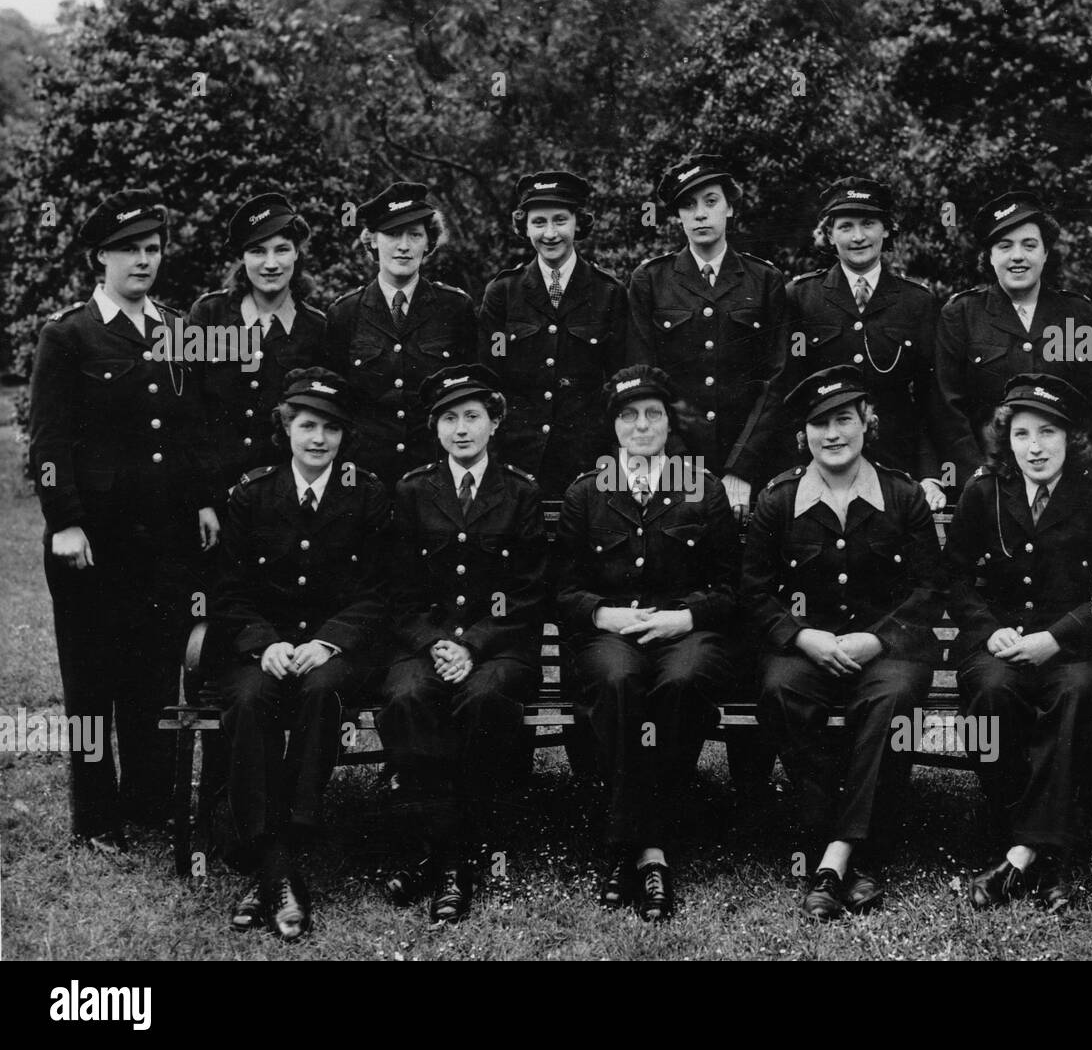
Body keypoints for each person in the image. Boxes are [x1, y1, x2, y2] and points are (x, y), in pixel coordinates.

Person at [29, 189, 221, 854]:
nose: (144, 260)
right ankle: (96, 819)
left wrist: (199, 498)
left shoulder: (174, 329)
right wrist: (65, 521)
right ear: (98, 259)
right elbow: (48, 442)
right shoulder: (67, 335)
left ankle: (147, 799)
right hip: (94, 540)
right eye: (129, 250)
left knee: (153, 675)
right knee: (91, 681)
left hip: (161, 538)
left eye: (153, 248)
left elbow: (189, 427)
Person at [744, 366, 943, 920]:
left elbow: (931, 589)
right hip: (807, 650)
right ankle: (858, 853)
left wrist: (876, 639)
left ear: (866, 425)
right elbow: (754, 592)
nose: (832, 435)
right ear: (803, 434)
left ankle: (832, 857)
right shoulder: (779, 500)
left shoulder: (902, 496)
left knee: (888, 701)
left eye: (844, 421)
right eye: (819, 424)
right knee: (781, 691)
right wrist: (801, 636)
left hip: (888, 651)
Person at [945, 374, 1092, 911]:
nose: (1035, 447)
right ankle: (1043, 850)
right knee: (991, 694)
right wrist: (989, 630)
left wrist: (1057, 638)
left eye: (1049, 432)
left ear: (1071, 438)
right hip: (1000, 646)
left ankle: (1020, 856)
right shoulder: (984, 490)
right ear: (1006, 439)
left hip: (1072, 649)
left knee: (1076, 694)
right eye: (1023, 433)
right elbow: (953, 579)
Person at [556, 364, 741, 921]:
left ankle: (626, 847)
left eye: (653, 415)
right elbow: (562, 590)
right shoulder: (587, 493)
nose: (642, 426)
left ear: (669, 423)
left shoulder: (700, 485)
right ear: (614, 427)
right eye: (629, 416)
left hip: (685, 633)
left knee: (681, 682)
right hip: (612, 635)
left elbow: (733, 588)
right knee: (618, 680)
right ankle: (650, 851)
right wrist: (603, 615)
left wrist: (684, 619)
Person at [212, 368, 389, 940]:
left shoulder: (367, 494)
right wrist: (265, 642)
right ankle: (279, 867)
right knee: (248, 698)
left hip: (334, 650)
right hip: (264, 646)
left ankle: (277, 855)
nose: (319, 439)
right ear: (286, 429)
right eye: (308, 425)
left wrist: (327, 640)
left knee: (321, 690)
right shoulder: (253, 492)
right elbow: (228, 587)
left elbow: (381, 590)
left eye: (331, 429)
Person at [378, 365, 547, 923]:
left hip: (499, 646)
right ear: (435, 428)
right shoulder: (411, 490)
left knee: (483, 701)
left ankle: (447, 858)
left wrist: (472, 644)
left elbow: (526, 592)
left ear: (494, 423)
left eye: (472, 417)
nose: (461, 429)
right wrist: (435, 643)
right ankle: (445, 853)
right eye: (449, 418)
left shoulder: (520, 491)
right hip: (426, 644)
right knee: (405, 698)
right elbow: (399, 594)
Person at [627, 153, 788, 517]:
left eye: (710, 202)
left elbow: (777, 378)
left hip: (751, 469)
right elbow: (643, 379)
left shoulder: (765, 281)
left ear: (730, 208)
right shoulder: (650, 280)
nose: (700, 214)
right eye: (688, 205)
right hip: (670, 464)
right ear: (678, 216)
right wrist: (680, 461)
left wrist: (742, 468)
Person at [782, 177, 947, 510]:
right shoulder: (800, 298)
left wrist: (931, 475)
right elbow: (786, 393)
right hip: (822, 468)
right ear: (829, 234)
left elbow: (934, 398)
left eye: (869, 223)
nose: (858, 237)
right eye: (846, 226)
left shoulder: (918, 303)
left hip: (897, 470)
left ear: (886, 230)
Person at [934, 190, 1092, 490]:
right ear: (990, 256)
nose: (1017, 256)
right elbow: (949, 412)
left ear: (1045, 253)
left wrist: (1082, 476)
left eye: (1029, 245)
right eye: (1005, 246)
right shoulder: (961, 315)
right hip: (989, 484)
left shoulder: (1081, 315)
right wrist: (979, 480)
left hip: (1067, 485)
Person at [478, 171, 629, 498]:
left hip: (589, 463)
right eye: (539, 222)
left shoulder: (609, 293)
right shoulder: (503, 293)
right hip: (517, 462)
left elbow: (621, 382)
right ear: (524, 226)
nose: (550, 233)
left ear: (578, 222)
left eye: (560, 220)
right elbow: (490, 378)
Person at [325, 181, 477, 487]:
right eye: (393, 234)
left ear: (428, 242)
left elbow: (473, 398)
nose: (404, 246)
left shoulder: (455, 308)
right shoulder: (344, 314)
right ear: (371, 241)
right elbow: (334, 406)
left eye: (415, 235)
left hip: (437, 478)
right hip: (366, 480)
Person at [189, 192, 326, 493]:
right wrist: (202, 500)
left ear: (297, 254)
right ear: (241, 257)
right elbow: (190, 412)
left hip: (285, 496)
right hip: (216, 493)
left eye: (282, 250)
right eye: (257, 251)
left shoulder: (317, 327)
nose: (271, 264)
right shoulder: (210, 314)